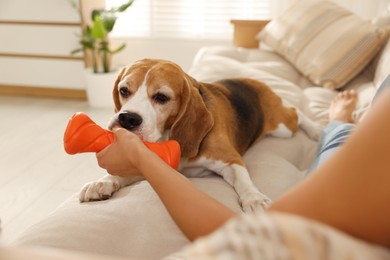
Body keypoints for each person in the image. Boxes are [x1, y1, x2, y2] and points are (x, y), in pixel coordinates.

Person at [95, 76, 390, 250]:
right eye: (125, 91)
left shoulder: (201, 125)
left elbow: (262, 238)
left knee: (314, 135)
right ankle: (338, 122)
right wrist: (119, 175)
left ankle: (324, 120)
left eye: (160, 98)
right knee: (340, 140)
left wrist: (138, 157)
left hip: (263, 107)